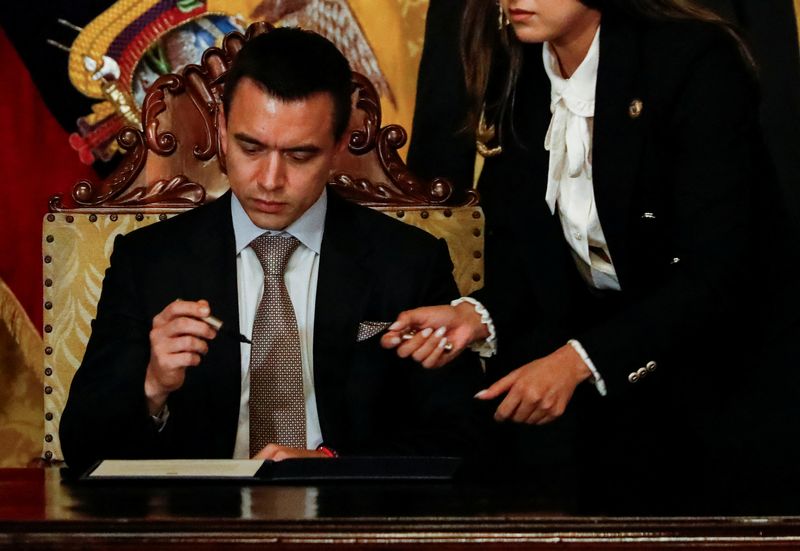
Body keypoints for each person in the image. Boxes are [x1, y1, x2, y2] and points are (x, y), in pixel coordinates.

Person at [386, 0, 771, 506]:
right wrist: (476, 315)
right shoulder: (521, 66)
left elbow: (719, 274)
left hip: (724, 383)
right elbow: (537, 255)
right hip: (610, 398)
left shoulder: (695, 61)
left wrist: (580, 361)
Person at [60, 27, 485, 473]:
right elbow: (83, 448)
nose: (269, 180)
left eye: (300, 156)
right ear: (222, 129)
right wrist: (151, 387)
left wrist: (332, 465)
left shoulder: (409, 262)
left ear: (339, 145)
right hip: (200, 527)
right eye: (251, 147)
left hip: (348, 523)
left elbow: (464, 441)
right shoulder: (148, 262)